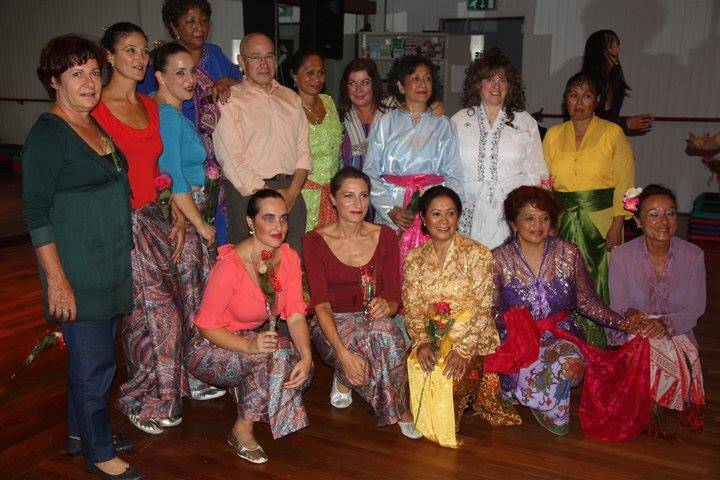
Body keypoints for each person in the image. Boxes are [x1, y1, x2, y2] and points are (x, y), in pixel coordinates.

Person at [23, 34, 141, 480]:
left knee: (94, 360)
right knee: (95, 367)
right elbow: (36, 212)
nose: (89, 82)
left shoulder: (91, 124)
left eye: (94, 72)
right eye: (77, 74)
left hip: (108, 265)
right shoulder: (48, 134)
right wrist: (57, 280)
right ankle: (98, 453)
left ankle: (80, 435)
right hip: (78, 272)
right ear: (54, 82)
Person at [94, 22, 218, 437]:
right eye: (130, 50)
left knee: (170, 310)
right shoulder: (97, 108)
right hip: (121, 221)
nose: (139, 58)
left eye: (143, 50)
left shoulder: (147, 108)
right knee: (151, 313)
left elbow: (159, 171)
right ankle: (142, 398)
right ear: (109, 56)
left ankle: (170, 388)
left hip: (157, 218)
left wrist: (176, 213)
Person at [489, 186, 635, 436]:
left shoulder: (568, 253)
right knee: (515, 373)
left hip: (561, 335)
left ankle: (550, 409)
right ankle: (518, 390)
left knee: (569, 366)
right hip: (515, 339)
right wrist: (511, 324)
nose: (538, 225)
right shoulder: (497, 259)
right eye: (529, 218)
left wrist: (622, 323)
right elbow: (490, 311)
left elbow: (586, 301)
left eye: (544, 218)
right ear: (514, 223)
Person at [186, 189, 313, 464]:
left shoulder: (288, 257)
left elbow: (295, 314)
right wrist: (249, 346)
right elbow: (205, 326)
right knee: (267, 358)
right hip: (209, 345)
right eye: (269, 218)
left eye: (283, 218)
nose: (278, 227)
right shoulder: (231, 265)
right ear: (250, 222)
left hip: (249, 337)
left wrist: (307, 356)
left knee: (299, 367)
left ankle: (247, 389)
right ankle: (241, 429)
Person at [302, 167, 420, 438]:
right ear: (333, 199)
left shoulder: (385, 235)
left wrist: (388, 306)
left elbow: (394, 295)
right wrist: (343, 355)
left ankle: (399, 406)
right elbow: (320, 304)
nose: (358, 204)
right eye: (349, 196)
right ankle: (353, 378)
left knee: (387, 333)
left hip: (373, 319)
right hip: (333, 321)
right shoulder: (314, 241)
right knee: (363, 354)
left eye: (364, 195)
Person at [403, 186, 521, 448]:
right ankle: (428, 421)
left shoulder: (477, 254)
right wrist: (422, 342)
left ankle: (446, 422)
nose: (444, 221)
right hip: (432, 332)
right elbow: (412, 307)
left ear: (458, 217)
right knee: (415, 369)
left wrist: (463, 350)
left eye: (450, 213)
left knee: (450, 378)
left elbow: (483, 307)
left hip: (471, 335)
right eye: (436, 213)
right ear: (423, 218)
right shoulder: (414, 259)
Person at [542, 72, 635, 347]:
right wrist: (547, 222)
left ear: (597, 100)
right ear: (565, 100)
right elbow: (544, 182)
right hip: (562, 220)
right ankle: (567, 339)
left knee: (601, 279)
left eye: (586, 96)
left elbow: (626, 182)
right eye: (573, 95)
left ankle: (601, 341)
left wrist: (618, 222)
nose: (579, 102)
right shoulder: (553, 135)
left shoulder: (612, 133)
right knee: (563, 278)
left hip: (603, 221)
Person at [139, 0, 242, 246]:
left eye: (204, 20)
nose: (199, 27)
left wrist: (227, 80)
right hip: (179, 165)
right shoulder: (158, 68)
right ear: (173, 27)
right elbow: (144, 109)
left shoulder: (214, 55)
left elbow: (243, 82)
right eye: (190, 21)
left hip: (213, 158)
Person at [154, 41, 224, 400]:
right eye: (178, 72)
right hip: (186, 213)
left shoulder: (176, 114)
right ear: (160, 77)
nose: (189, 79)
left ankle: (194, 372)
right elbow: (173, 178)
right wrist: (199, 224)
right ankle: (193, 376)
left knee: (194, 296)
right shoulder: (167, 116)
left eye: (191, 71)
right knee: (190, 298)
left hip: (191, 210)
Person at [610, 184, 705, 433]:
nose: (664, 221)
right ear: (638, 221)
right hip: (637, 330)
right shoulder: (622, 256)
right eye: (653, 214)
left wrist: (665, 324)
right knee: (644, 347)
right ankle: (648, 400)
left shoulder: (693, 255)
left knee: (662, 350)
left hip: (677, 331)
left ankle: (655, 400)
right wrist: (631, 313)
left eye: (670, 213)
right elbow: (618, 305)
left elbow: (694, 308)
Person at [213, 32, 311, 253]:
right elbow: (231, 159)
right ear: (241, 61)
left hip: (290, 193)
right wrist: (269, 198)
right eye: (255, 57)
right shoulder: (230, 100)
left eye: (269, 56)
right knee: (252, 266)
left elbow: (303, 151)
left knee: (292, 262)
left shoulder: (291, 98)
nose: (264, 63)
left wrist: (292, 193)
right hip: (250, 193)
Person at [363, 54, 463, 268]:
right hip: (394, 205)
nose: (423, 84)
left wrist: (444, 211)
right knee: (390, 267)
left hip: (432, 209)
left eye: (428, 78)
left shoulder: (444, 124)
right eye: (415, 78)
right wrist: (390, 209)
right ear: (400, 85)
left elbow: (454, 173)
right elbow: (370, 172)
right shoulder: (384, 123)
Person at [451, 47, 547, 248]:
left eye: (502, 80)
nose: (496, 86)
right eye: (489, 79)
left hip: (512, 211)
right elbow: (449, 170)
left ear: (510, 86)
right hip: (469, 209)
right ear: (478, 84)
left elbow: (537, 170)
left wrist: (536, 213)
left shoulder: (524, 121)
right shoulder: (459, 120)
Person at [337, 58, 444, 221]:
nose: (358, 90)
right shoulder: (340, 118)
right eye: (352, 83)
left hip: (391, 197)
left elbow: (419, 111)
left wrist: (433, 108)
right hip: (353, 198)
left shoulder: (393, 110)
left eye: (365, 83)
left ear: (374, 84)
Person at [290, 49, 342, 231]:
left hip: (334, 195)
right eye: (310, 73)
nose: (317, 79)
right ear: (294, 76)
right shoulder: (288, 108)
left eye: (321, 72)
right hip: (303, 193)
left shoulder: (328, 101)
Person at [580, 29, 652, 134]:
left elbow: (608, 121)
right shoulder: (584, 84)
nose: (617, 49)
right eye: (610, 45)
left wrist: (627, 123)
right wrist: (625, 124)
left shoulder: (615, 81)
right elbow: (581, 123)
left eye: (617, 44)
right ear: (597, 51)